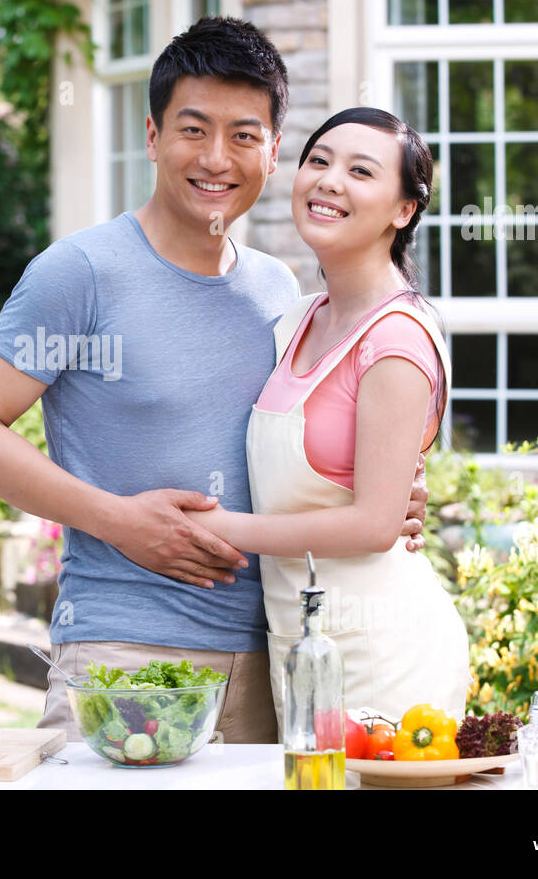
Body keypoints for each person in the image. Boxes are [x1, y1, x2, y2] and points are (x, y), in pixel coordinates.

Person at [0, 17, 428, 744]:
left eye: (244, 136)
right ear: (153, 137)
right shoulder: (81, 273)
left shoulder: (277, 290)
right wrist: (118, 521)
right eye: (194, 130)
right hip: (123, 652)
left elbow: (299, 446)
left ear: (272, 151)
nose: (217, 159)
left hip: (270, 661)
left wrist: (385, 496)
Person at [180, 107, 471, 725]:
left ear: (403, 210)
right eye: (319, 161)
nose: (330, 180)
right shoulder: (298, 318)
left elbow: (373, 524)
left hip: (385, 649)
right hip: (304, 646)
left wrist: (223, 529)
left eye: (361, 171)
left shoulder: (396, 338)